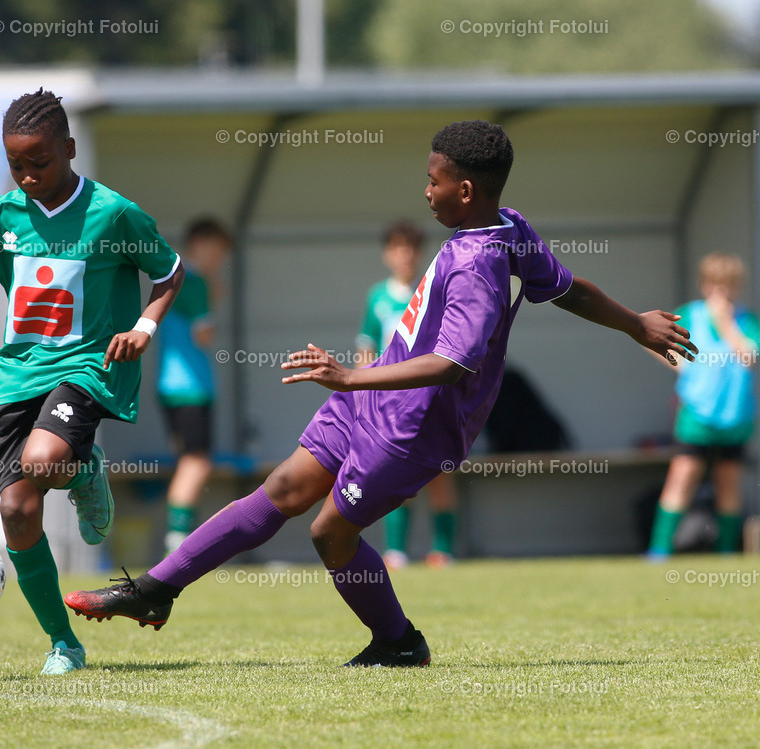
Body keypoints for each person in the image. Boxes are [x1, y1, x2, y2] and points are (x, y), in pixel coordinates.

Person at [64, 120, 697, 668]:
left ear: (465, 189)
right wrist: (635, 322)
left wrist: (348, 376)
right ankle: (156, 589)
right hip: (369, 403)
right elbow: (568, 287)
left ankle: (397, 640)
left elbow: (452, 363)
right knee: (282, 490)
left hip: (412, 428)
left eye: (434, 180)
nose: (426, 190)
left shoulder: (479, 263)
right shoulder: (508, 226)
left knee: (329, 534)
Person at [0, 89, 184, 676]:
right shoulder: (0, 218)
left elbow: (171, 271)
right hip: (17, 380)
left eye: (40, 162)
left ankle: (78, 467)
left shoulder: (112, 213)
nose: (28, 176)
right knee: (16, 510)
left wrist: (144, 329)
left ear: (70, 149)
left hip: (86, 369)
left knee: (46, 457)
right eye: (16, 165)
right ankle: (64, 645)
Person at [356, 220, 458, 570]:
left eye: (411, 248)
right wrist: (363, 388)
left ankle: (443, 550)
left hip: (430, 396)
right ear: (387, 254)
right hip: (390, 399)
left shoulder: (430, 292)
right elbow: (366, 348)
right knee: (395, 471)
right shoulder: (377, 297)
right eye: (398, 248)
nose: (405, 255)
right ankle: (396, 550)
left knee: (438, 472)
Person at [647, 253, 758, 559]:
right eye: (715, 285)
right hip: (697, 415)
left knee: (728, 484)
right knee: (682, 478)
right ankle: (659, 551)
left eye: (728, 286)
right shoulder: (689, 315)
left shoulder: (746, 320)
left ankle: (726, 552)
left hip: (735, 417)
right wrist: (678, 364)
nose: (721, 293)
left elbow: (750, 358)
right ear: (704, 285)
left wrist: (725, 324)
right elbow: (652, 337)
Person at [156, 217, 231, 555]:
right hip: (190, 388)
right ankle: (178, 540)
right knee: (196, 461)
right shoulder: (195, 280)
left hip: (170, 387)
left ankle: (179, 536)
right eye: (217, 249)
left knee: (188, 460)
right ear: (200, 244)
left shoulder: (175, 277)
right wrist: (212, 300)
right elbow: (204, 335)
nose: (220, 257)